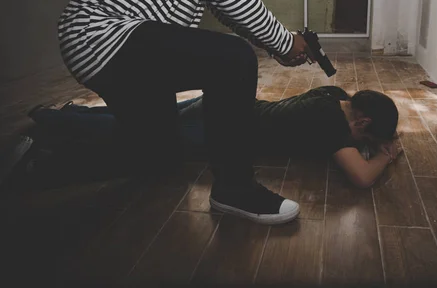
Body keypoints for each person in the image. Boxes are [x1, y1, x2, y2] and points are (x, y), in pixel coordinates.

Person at [57, 0, 314, 224]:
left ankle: (45, 150)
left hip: (139, 45)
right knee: (232, 60)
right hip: (102, 35)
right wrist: (282, 41)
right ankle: (234, 189)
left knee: (158, 158)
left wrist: (270, 44)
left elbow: (218, 2)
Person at [28, 86, 401, 192]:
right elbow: (361, 178)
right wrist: (387, 155)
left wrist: (366, 137)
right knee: (136, 136)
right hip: (219, 130)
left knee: (143, 120)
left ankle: (58, 117)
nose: (364, 144)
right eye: (369, 135)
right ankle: (53, 143)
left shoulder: (332, 95)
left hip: (223, 103)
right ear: (363, 122)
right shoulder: (333, 129)